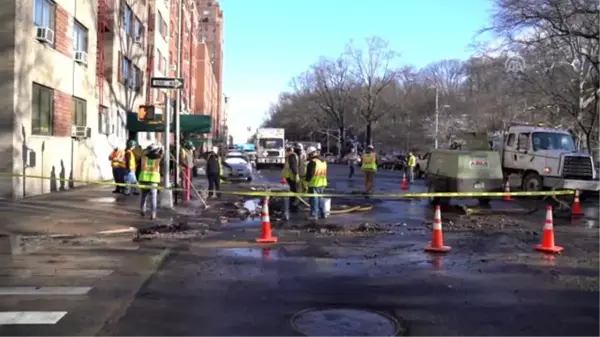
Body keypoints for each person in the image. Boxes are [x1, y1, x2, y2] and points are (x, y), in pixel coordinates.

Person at [139, 143, 164, 220]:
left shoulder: (144, 157)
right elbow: (157, 167)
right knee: (153, 198)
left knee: (143, 197)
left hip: (143, 179)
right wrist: (161, 149)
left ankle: (143, 210)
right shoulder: (158, 158)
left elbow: (143, 167)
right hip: (153, 180)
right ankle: (153, 214)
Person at [305, 146, 328, 220]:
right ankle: (323, 213)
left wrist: (306, 182)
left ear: (310, 154)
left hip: (314, 183)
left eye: (308, 155)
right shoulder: (323, 161)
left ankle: (314, 215)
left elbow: (310, 174)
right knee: (321, 199)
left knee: (314, 199)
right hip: (322, 183)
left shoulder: (313, 162)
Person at [283, 145, 299, 219]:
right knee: (293, 192)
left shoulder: (291, 156)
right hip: (290, 177)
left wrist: (296, 175)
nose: (285, 153)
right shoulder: (291, 156)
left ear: (288, 151)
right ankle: (293, 207)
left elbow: (293, 167)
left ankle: (293, 208)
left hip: (292, 177)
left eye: (286, 151)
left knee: (293, 193)